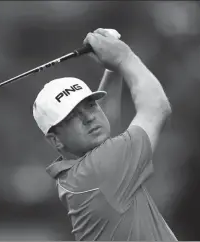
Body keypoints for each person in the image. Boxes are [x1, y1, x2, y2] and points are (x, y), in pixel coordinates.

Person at [32, 28, 177, 241]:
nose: (89, 118)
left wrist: (111, 69)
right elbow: (157, 108)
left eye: (90, 105)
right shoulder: (99, 171)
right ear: (55, 139)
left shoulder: (74, 171)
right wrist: (123, 57)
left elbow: (102, 127)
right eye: (72, 116)